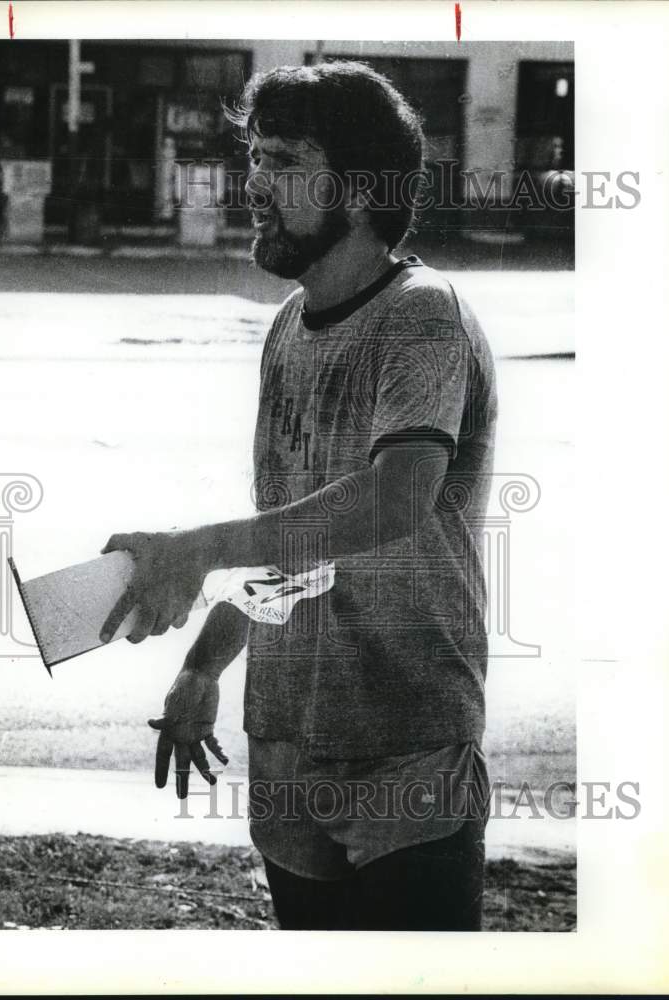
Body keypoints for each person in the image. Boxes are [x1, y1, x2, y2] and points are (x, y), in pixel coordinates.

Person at [99, 61, 497, 931]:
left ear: (355, 185)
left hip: (404, 746)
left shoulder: (422, 315)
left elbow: (397, 499)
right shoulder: (286, 326)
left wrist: (195, 545)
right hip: (285, 742)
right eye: (256, 159)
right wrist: (204, 664)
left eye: (281, 162)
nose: (255, 184)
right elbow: (292, 535)